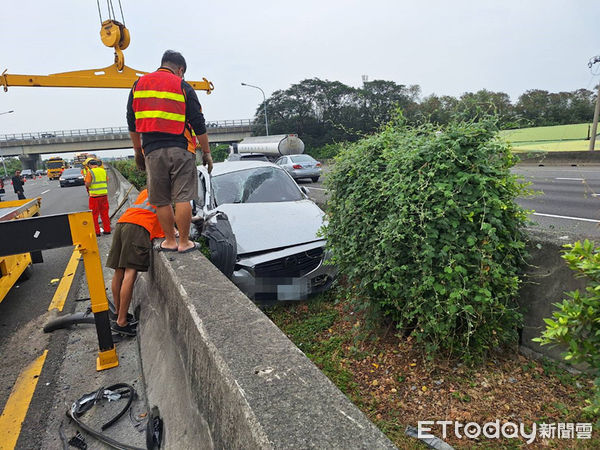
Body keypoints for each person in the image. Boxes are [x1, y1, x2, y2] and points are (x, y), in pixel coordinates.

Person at [126, 49, 213, 254]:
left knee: (161, 199)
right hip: (181, 148)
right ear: (180, 69)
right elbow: (198, 124)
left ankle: (169, 241)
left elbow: (132, 122)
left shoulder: (138, 86)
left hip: (152, 151)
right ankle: (184, 242)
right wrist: (207, 152)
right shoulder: (183, 87)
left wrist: (138, 151)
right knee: (183, 197)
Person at [106, 188, 165, 336]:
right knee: (130, 272)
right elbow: (161, 218)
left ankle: (120, 313)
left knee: (118, 272)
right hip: (138, 227)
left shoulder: (147, 190)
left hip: (122, 223)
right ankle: (121, 322)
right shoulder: (165, 192)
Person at [84, 159, 111, 237]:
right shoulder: (103, 171)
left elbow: (88, 184)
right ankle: (107, 230)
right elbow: (107, 180)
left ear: (89, 165)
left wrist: (87, 184)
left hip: (94, 197)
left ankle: (97, 232)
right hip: (104, 195)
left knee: (94, 215)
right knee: (105, 214)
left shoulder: (90, 172)